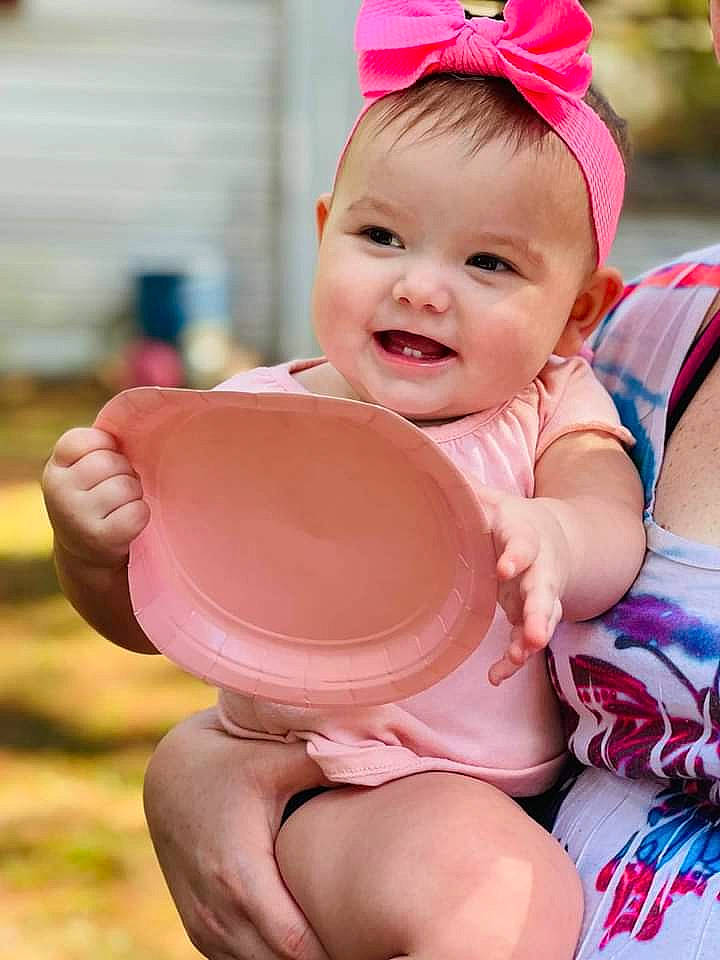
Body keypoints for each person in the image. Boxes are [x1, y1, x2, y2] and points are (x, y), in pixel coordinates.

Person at [41, 1, 647, 958]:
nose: (420, 286)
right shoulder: (253, 418)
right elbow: (163, 619)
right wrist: (91, 552)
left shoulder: (549, 408)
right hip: (325, 779)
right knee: (499, 905)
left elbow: (610, 529)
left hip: (478, 789)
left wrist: (556, 537)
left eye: (488, 261)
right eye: (382, 238)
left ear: (578, 314)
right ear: (326, 231)